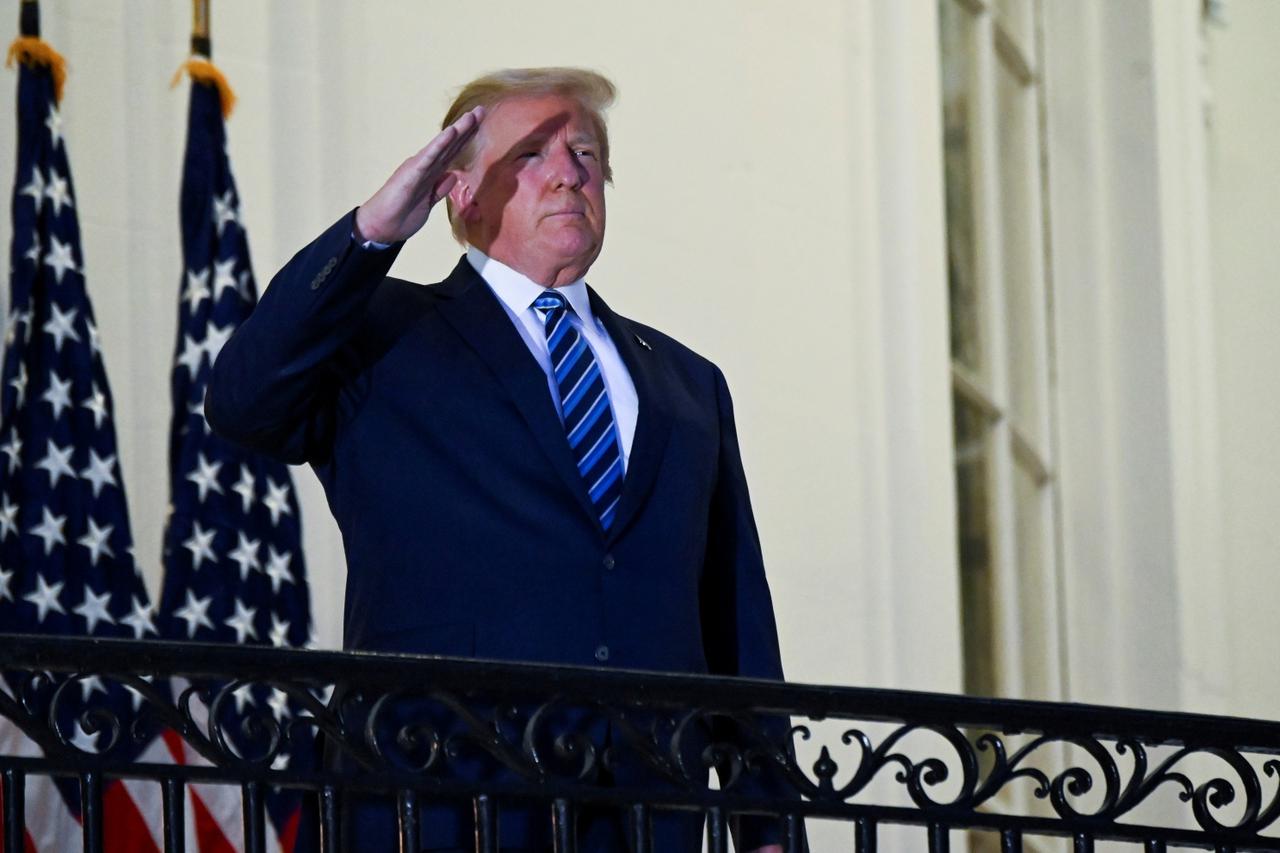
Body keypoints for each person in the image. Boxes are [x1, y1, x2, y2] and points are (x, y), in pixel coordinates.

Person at [207, 67, 790, 853]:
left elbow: (734, 620)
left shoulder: (687, 383)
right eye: (530, 154)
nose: (569, 171)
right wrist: (371, 233)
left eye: (584, 151)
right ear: (457, 191)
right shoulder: (381, 333)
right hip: (443, 799)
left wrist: (767, 822)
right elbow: (243, 405)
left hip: (648, 814)